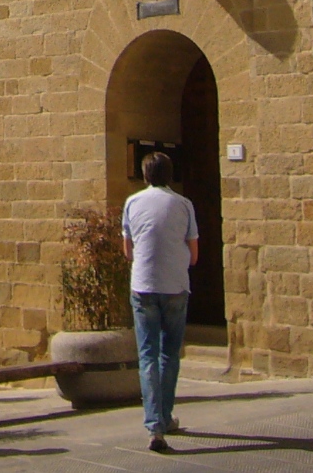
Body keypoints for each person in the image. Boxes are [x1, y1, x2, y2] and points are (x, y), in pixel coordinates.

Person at [122, 150, 199, 453]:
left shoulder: (132, 202)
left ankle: (154, 424)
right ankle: (164, 417)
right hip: (175, 285)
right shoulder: (183, 204)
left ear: (145, 175)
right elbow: (194, 254)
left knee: (147, 355)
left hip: (143, 285)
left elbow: (128, 250)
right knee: (170, 354)